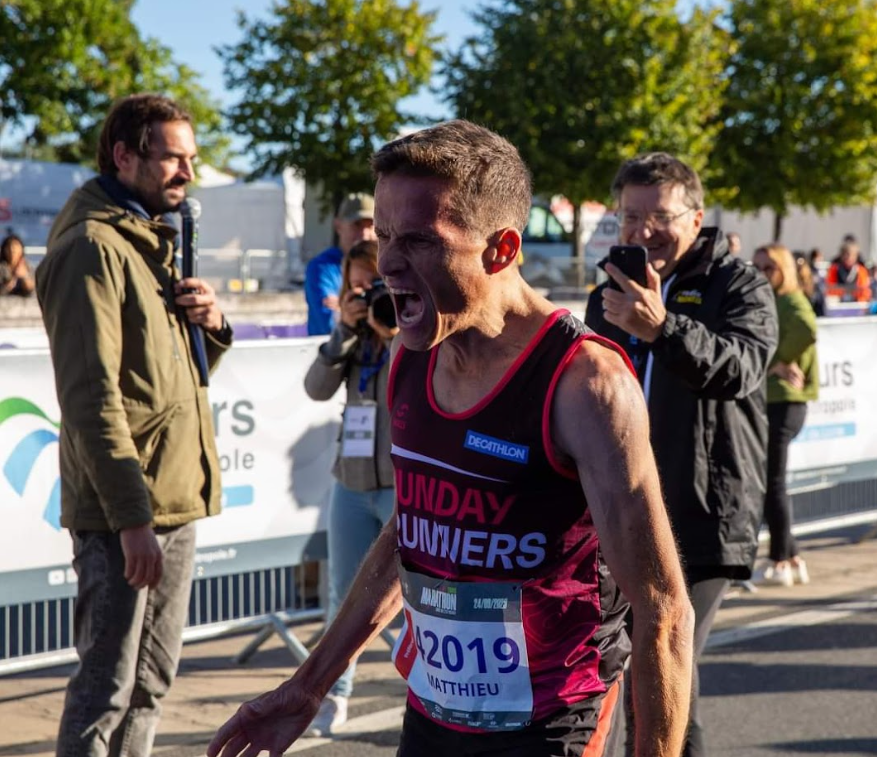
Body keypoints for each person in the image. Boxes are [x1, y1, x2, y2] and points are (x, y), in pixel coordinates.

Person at [208, 121, 694, 757]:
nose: (387, 263)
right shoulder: (411, 354)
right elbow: (412, 532)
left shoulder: (587, 384)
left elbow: (662, 611)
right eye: (384, 236)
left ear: (500, 249)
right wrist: (308, 685)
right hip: (433, 712)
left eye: (418, 241)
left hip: (551, 722)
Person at [35, 93, 233, 757]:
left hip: (170, 502)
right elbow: (91, 398)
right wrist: (131, 519)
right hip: (127, 513)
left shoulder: (150, 239)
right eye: (173, 157)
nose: (187, 173)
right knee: (106, 690)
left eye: (191, 159)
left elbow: (167, 380)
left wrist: (212, 326)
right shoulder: (91, 247)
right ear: (124, 156)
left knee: (149, 686)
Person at [584, 152, 778, 757]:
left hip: (700, 515)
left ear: (696, 218)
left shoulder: (739, 284)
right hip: (618, 512)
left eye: (659, 216)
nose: (642, 230)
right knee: (616, 679)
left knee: (664, 677)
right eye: (629, 216)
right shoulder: (606, 296)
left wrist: (662, 328)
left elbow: (741, 368)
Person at [302, 238, 398, 735]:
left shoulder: (415, 333)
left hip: (403, 490)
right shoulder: (350, 337)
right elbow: (316, 388)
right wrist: (343, 330)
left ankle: (428, 691)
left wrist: (393, 332)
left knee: (416, 598)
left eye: (374, 283)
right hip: (352, 484)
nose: (365, 294)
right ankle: (334, 694)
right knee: (344, 596)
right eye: (356, 285)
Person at [751, 244, 818, 587]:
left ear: (784, 269)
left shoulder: (790, 301)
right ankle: (791, 557)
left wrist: (778, 361)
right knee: (771, 481)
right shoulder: (775, 300)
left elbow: (807, 329)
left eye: (769, 268)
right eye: (757, 267)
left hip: (785, 402)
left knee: (772, 482)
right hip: (777, 400)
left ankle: (779, 559)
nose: (761, 274)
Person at [304, 193, 377, 335]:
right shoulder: (321, 267)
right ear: (338, 226)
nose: (364, 234)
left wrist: (342, 307)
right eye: (357, 225)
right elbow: (328, 324)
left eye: (370, 225)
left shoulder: (387, 265)